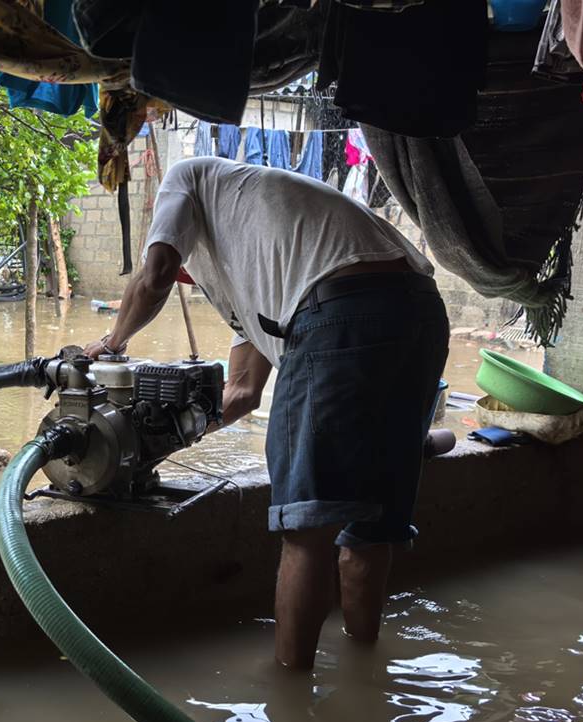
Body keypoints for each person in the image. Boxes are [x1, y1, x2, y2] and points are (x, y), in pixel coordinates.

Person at [84, 156, 449, 670]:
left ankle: (289, 698)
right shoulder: (263, 260)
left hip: (340, 310)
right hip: (419, 313)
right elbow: (241, 394)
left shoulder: (187, 175)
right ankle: (365, 673)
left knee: (306, 531)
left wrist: (110, 343)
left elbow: (157, 273)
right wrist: (161, 441)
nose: (190, 279)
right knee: (370, 529)